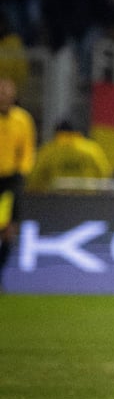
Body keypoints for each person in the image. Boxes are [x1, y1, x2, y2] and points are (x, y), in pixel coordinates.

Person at [0, 76, 35, 292]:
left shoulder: (22, 119)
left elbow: (27, 150)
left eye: (6, 91)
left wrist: (22, 173)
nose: (3, 95)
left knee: (9, 229)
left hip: (10, 180)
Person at [27, 120, 112, 191]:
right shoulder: (92, 149)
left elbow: (34, 178)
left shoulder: (49, 150)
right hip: (88, 201)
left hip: (56, 202)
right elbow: (104, 173)